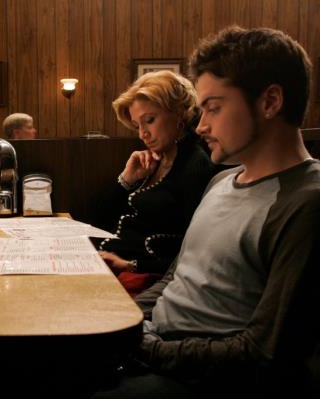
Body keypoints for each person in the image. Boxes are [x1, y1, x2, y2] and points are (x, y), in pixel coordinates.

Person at [93, 26, 320, 398]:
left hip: (200, 378)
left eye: (213, 108)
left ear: (270, 102)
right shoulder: (222, 182)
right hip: (154, 348)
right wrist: (126, 319)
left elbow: (263, 353)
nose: (201, 125)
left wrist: (145, 346)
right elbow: (175, 277)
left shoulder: (306, 203)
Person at [93, 70, 215, 296]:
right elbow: (99, 220)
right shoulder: (152, 160)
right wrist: (126, 180)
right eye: (137, 125)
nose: (143, 134)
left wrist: (130, 265)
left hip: (147, 279)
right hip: (108, 265)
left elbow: (196, 252)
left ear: (179, 113)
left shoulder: (195, 165)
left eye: (149, 120)